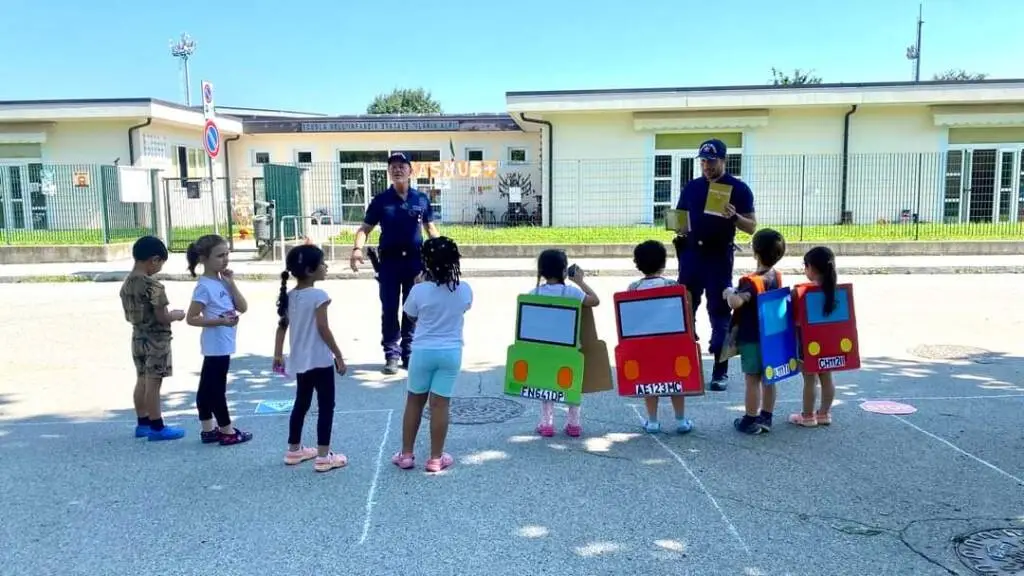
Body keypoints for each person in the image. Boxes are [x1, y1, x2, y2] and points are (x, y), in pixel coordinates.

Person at [675, 139, 757, 392]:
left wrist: (734, 216)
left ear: (723, 160)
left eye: (711, 161)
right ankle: (683, 370)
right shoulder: (692, 187)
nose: (707, 166)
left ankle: (719, 372)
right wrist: (677, 227)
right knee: (684, 311)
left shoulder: (739, 189)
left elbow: (752, 227)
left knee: (720, 314)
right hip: (691, 256)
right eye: (703, 161)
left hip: (718, 258)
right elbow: (681, 217)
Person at [349, 152, 440, 375]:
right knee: (389, 308)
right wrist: (357, 249)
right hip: (389, 264)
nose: (397, 169)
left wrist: (442, 253)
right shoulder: (381, 201)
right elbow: (365, 229)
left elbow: (430, 229)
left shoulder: (421, 199)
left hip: (415, 262)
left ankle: (408, 352)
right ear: (389, 173)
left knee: (413, 309)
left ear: (411, 171)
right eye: (393, 167)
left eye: (402, 166)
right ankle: (391, 353)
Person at [392, 237, 473, 473]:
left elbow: (411, 316)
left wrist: (422, 283)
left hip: (423, 351)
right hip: (450, 352)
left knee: (414, 402)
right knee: (440, 405)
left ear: (426, 262)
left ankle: (406, 454)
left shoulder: (419, 290)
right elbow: (464, 307)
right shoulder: (464, 289)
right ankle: (436, 458)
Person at [273, 245, 349, 473]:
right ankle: (324, 456)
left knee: (301, 403)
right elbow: (323, 328)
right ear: (309, 270)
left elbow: (282, 327)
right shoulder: (319, 296)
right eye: (322, 263)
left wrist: (278, 354)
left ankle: (294, 449)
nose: (325, 267)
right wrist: (338, 354)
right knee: (326, 406)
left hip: (300, 361)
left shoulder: (290, 296)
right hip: (320, 360)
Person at [184, 234, 252, 446]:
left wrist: (232, 284)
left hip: (224, 342)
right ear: (203, 258)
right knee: (216, 391)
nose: (225, 259)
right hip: (216, 344)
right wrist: (220, 321)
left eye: (227, 254)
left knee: (206, 389)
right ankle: (227, 430)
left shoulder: (222, 282)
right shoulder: (204, 286)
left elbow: (242, 307)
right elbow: (192, 318)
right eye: (219, 256)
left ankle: (208, 429)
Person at [119, 235, 187, 441]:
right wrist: (175, 315)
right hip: (156, 339)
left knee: (141, 378)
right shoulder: (153, 286)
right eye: (160, 263)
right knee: (154, 382)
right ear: (154, 260)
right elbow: (161, 316)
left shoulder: (127, 283)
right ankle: (158, 426)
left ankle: (143, 422)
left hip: (137, 336)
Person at [530, 249, 600, 437]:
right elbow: (595, 301)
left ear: (542, 271)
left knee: (545, 384)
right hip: (570, 349)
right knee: (572, 384)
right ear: (564, 270)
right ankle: (574, 424)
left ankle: (547, 424)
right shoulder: (572, 292)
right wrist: (580, 281)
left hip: (543, 349)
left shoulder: (534, 293)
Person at [723, 228, 786, 435]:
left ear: (755, 252)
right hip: (772, 336)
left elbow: (737, 302)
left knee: (752, 379)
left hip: (752, 337)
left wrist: (730, 292)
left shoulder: (750, 281)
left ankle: (750, 419)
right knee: (770, 378)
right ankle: (766, 417)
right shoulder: (776, 275)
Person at [629, 240, 695, 435]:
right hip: (671, 342)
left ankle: (652, 421)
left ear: (638, 264)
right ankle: (681, 419)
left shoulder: (633, 288)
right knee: (675, 380)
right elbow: (683, 313)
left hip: (644, 343)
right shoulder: (672, 286)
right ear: (663, 263)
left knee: (649, 381)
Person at [789, 246, 838, 428]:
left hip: (808, 343)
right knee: (827, 376)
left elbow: (793, 317)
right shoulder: (835, 291)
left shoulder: (802, 292)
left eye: (805, 266)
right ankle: (824, 413)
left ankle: (808, 415)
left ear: (811, 267)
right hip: (830, 341)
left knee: (810, 379)